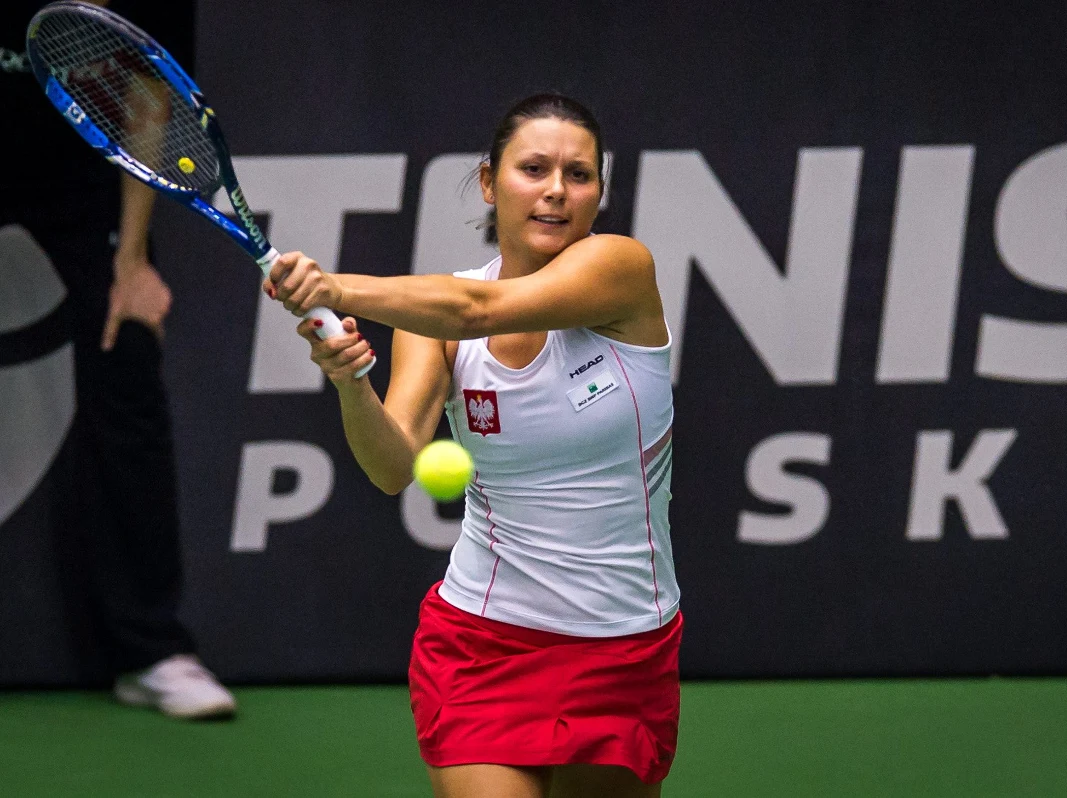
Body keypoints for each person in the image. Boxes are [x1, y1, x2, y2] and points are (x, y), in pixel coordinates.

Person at [268, 93, 682, 797]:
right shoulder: (430, 320)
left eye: (579, 175)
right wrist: (350, 385)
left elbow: (479, 311)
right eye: (534, 168)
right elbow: (393, 466)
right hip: (485, 641)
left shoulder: (621, 270)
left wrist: (334, 287)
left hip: (625, 641)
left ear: (598, 195)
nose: (556, 189)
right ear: (490, 183)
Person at [1, 0, 235, 718]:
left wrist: (131, 263)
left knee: (126, 341)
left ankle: (150, 651)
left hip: (83, 174)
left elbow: (147, 92)